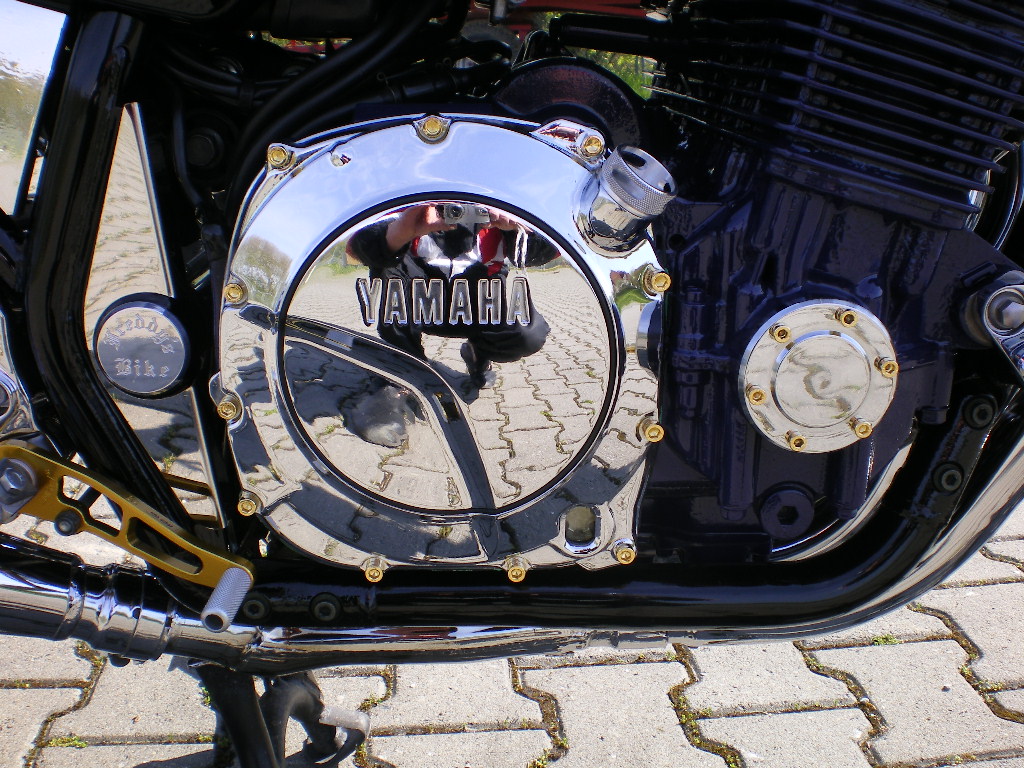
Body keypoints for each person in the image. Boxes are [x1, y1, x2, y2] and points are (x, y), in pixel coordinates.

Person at [347, 203, 552, 388]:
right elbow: (357, 246)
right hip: (420, 307)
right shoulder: (415, 204)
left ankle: (478, 354)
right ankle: (409, 371)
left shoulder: (497, 205)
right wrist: (400, 232)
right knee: (384, 260)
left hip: (479, 309)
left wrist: (519, 227)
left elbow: (541, 253)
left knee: (528, 334)